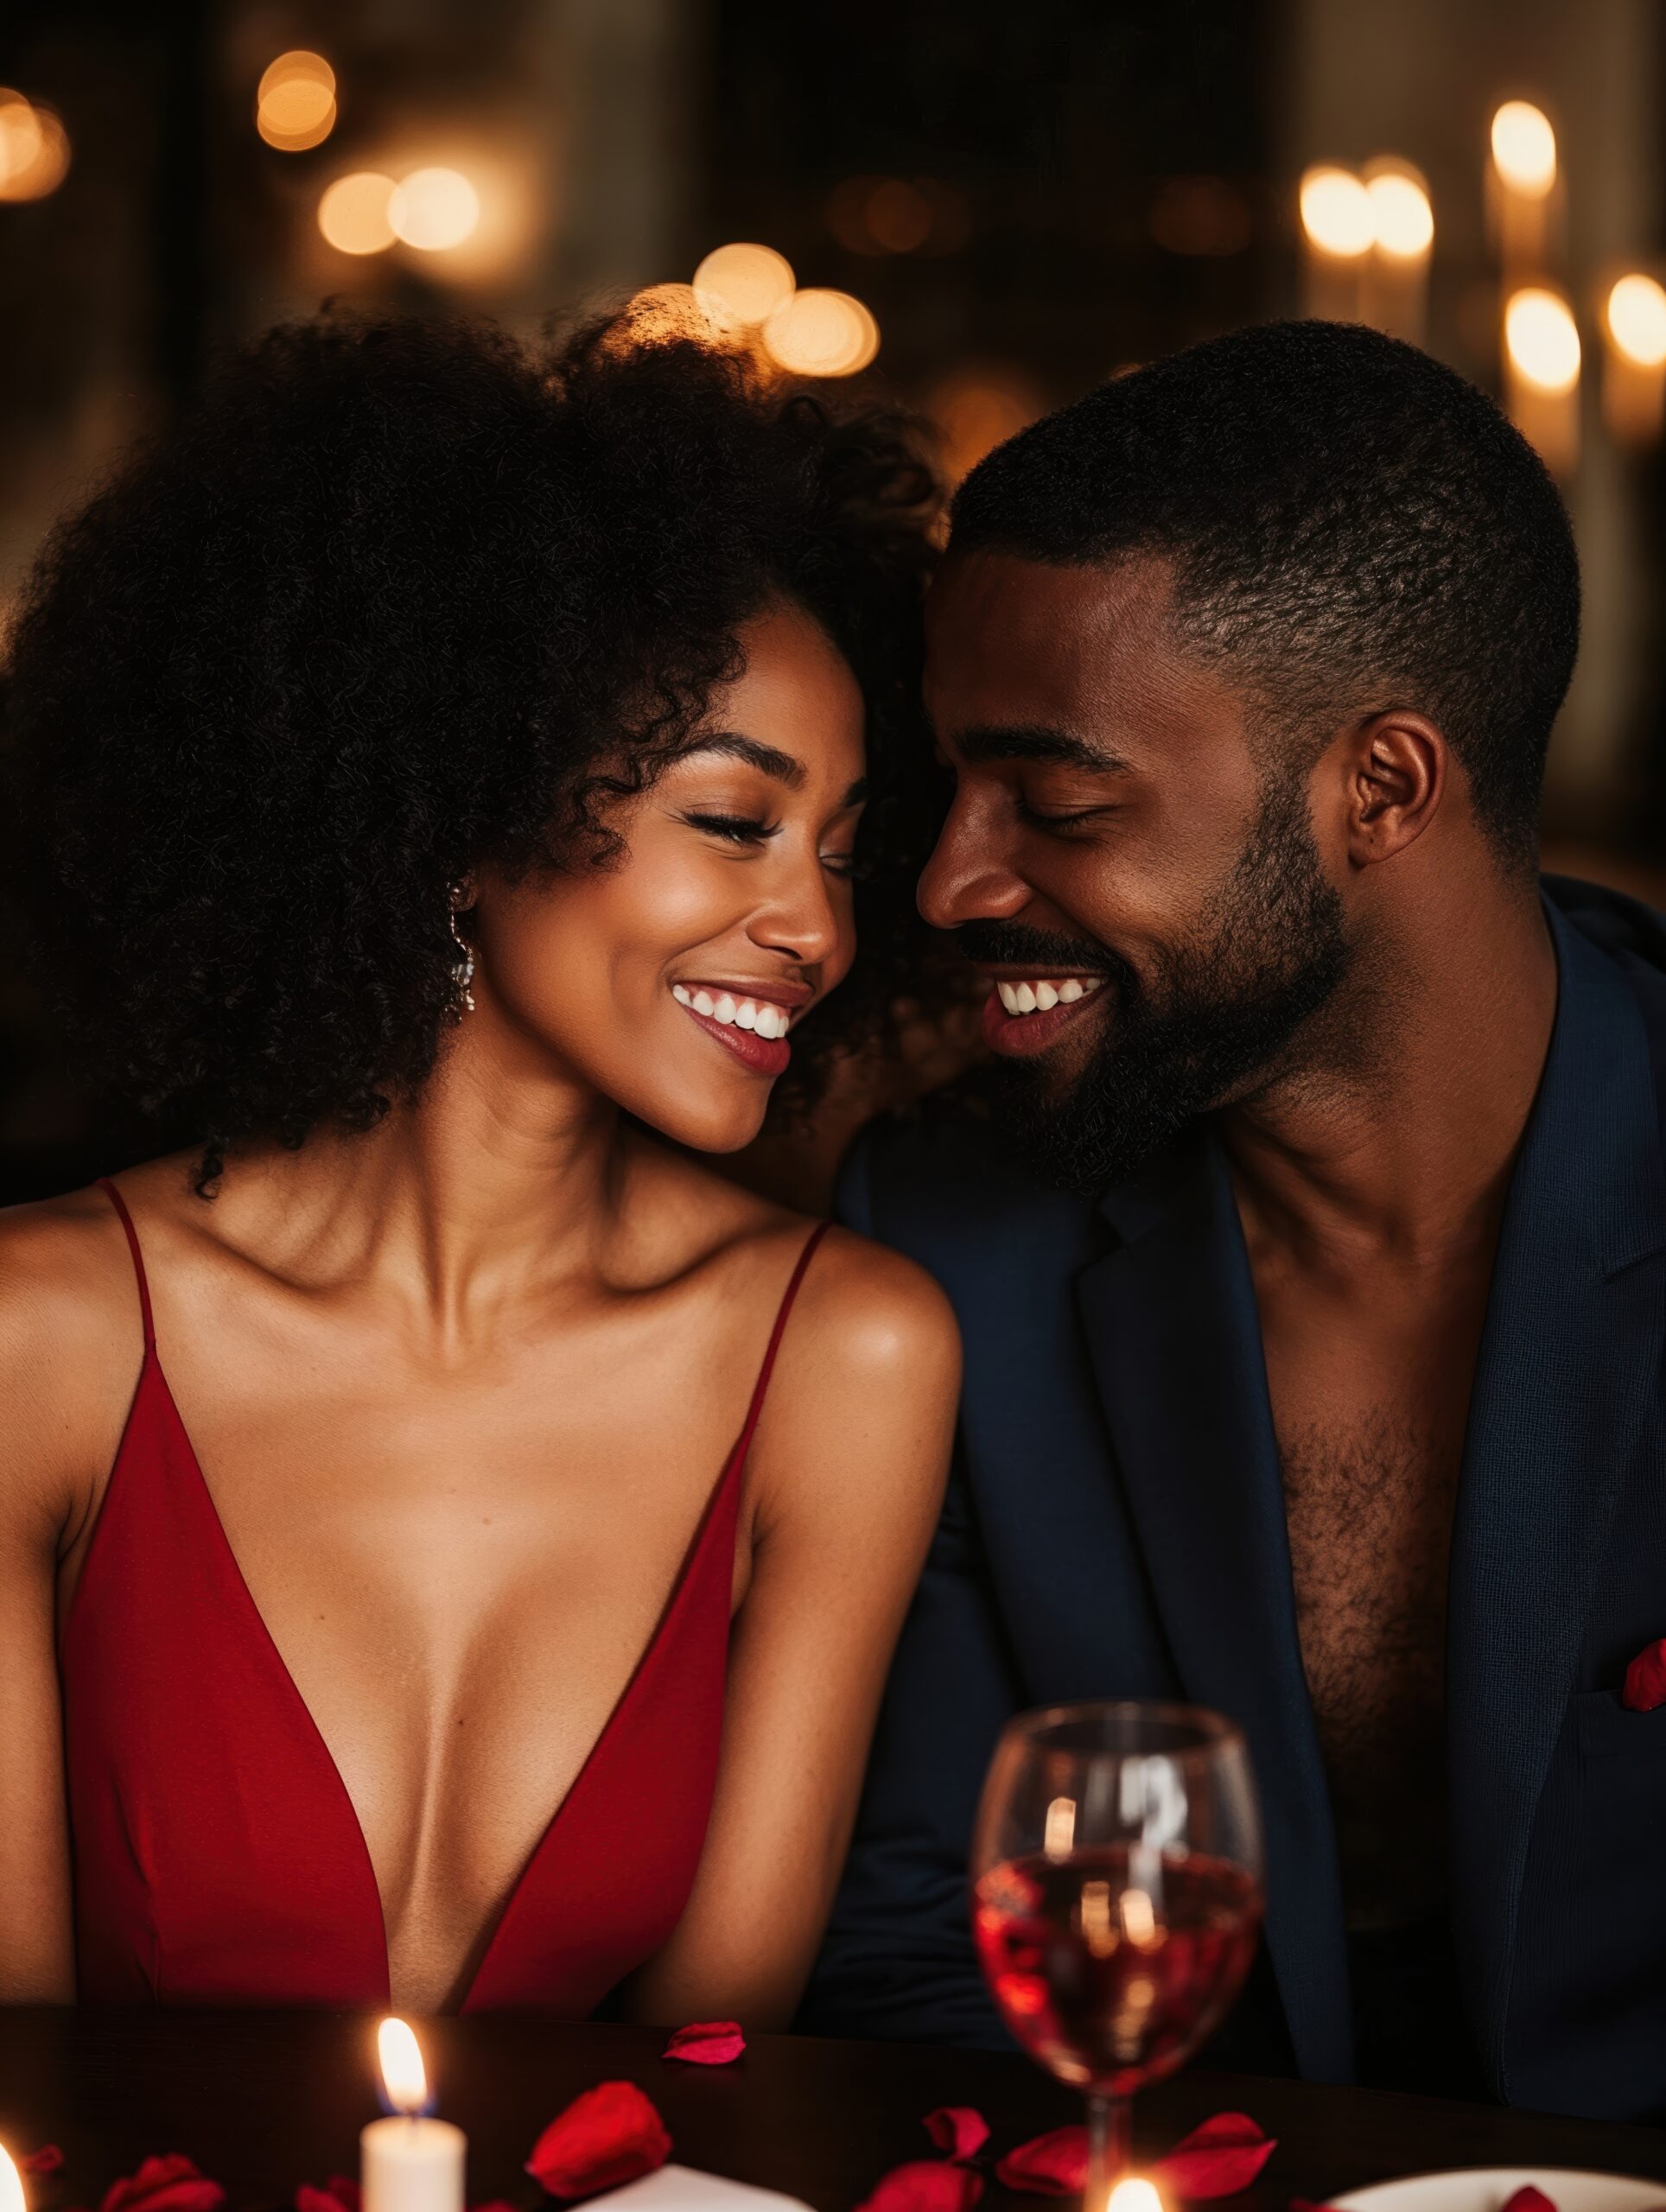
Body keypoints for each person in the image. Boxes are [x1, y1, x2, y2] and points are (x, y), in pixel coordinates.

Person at [0, 310, 961, 2020]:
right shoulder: (44, 1337)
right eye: (732, 819)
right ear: (456, 812)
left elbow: (709, 2074)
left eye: (845, 845)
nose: (814, 920)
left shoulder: (847, 1353)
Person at [802, 321, 1666, 2123]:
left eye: (1058, 802)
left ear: (1381, 787)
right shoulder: (954, 1238)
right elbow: (918, 1950)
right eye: (949, 784)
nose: (950, 880)